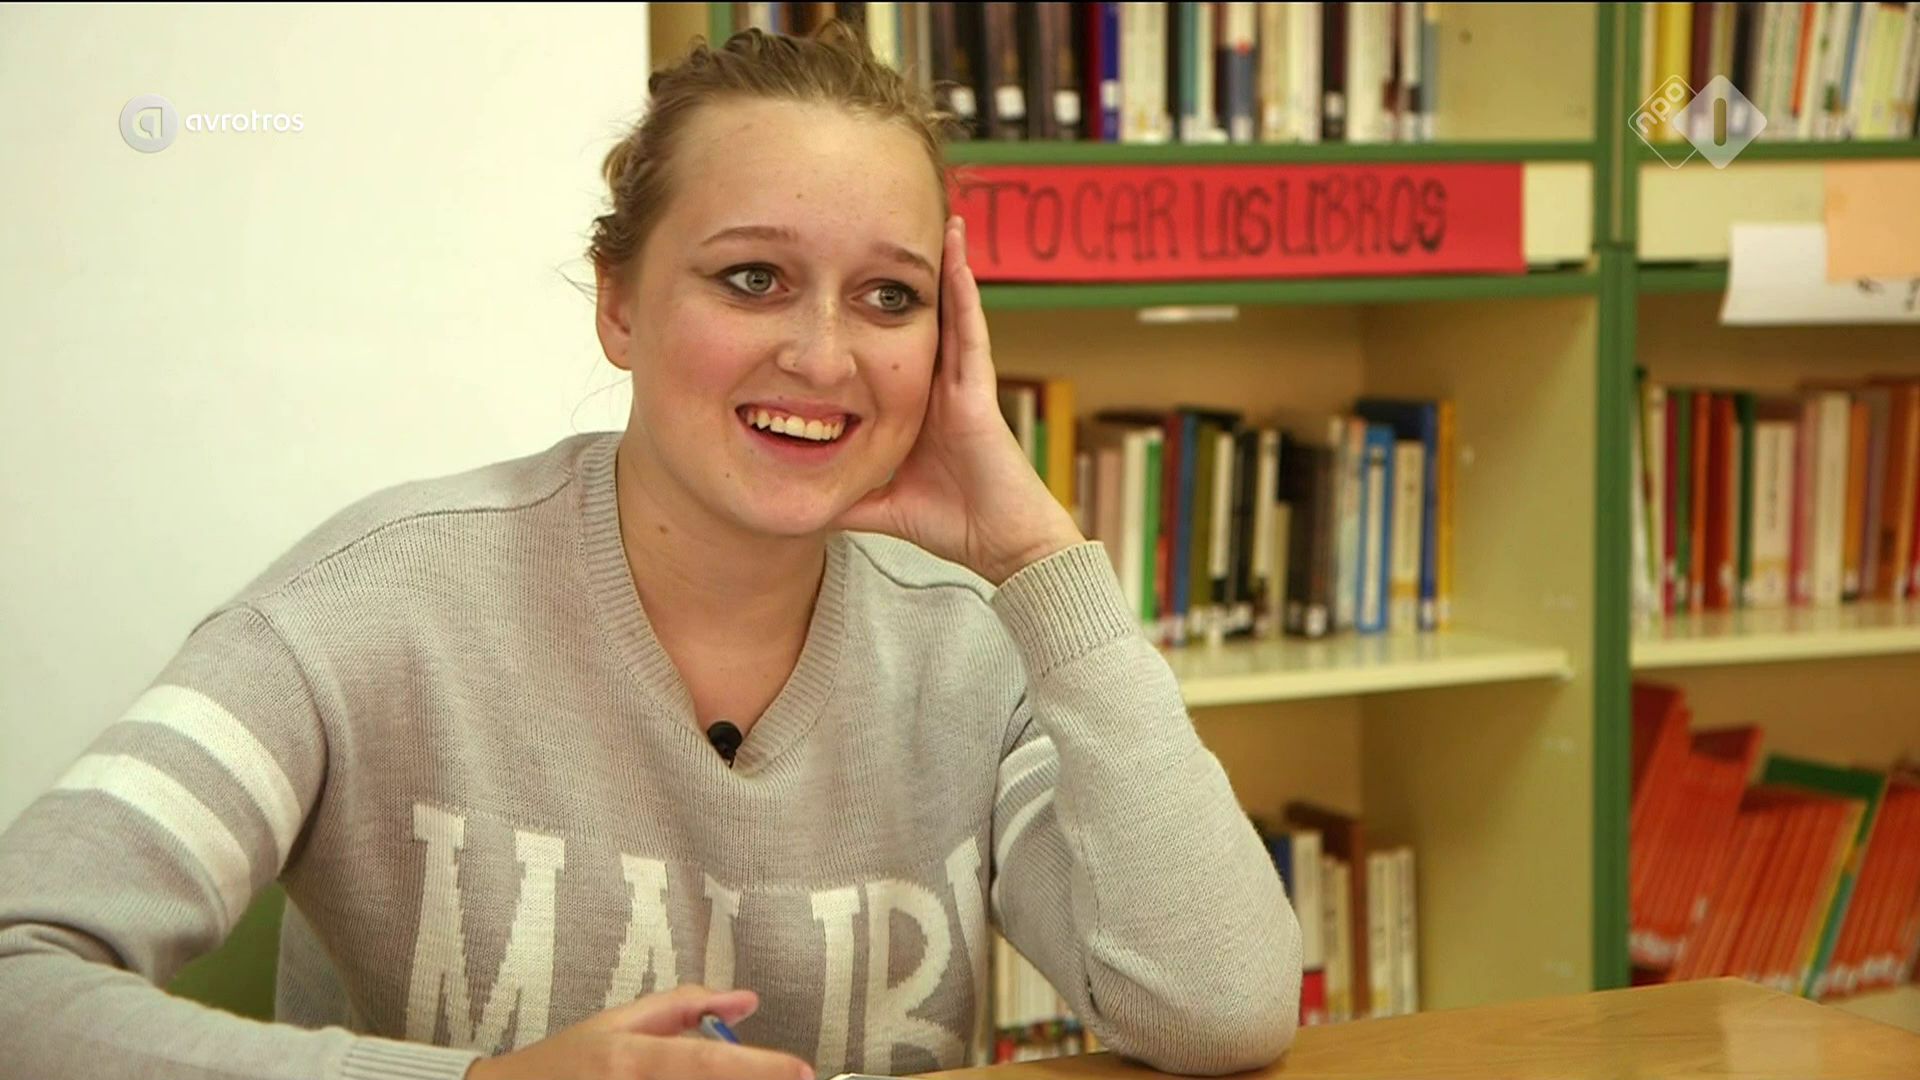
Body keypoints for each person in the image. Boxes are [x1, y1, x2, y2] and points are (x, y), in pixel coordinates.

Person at [0, 23, 1301, 1080]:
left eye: (889, 296)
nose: (824, 355)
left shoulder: (976, 643)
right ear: (619, 301)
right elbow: (20, 981)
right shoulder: (373, 602)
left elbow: (1224, 1008)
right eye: (752, 278)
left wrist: (1040, 559)